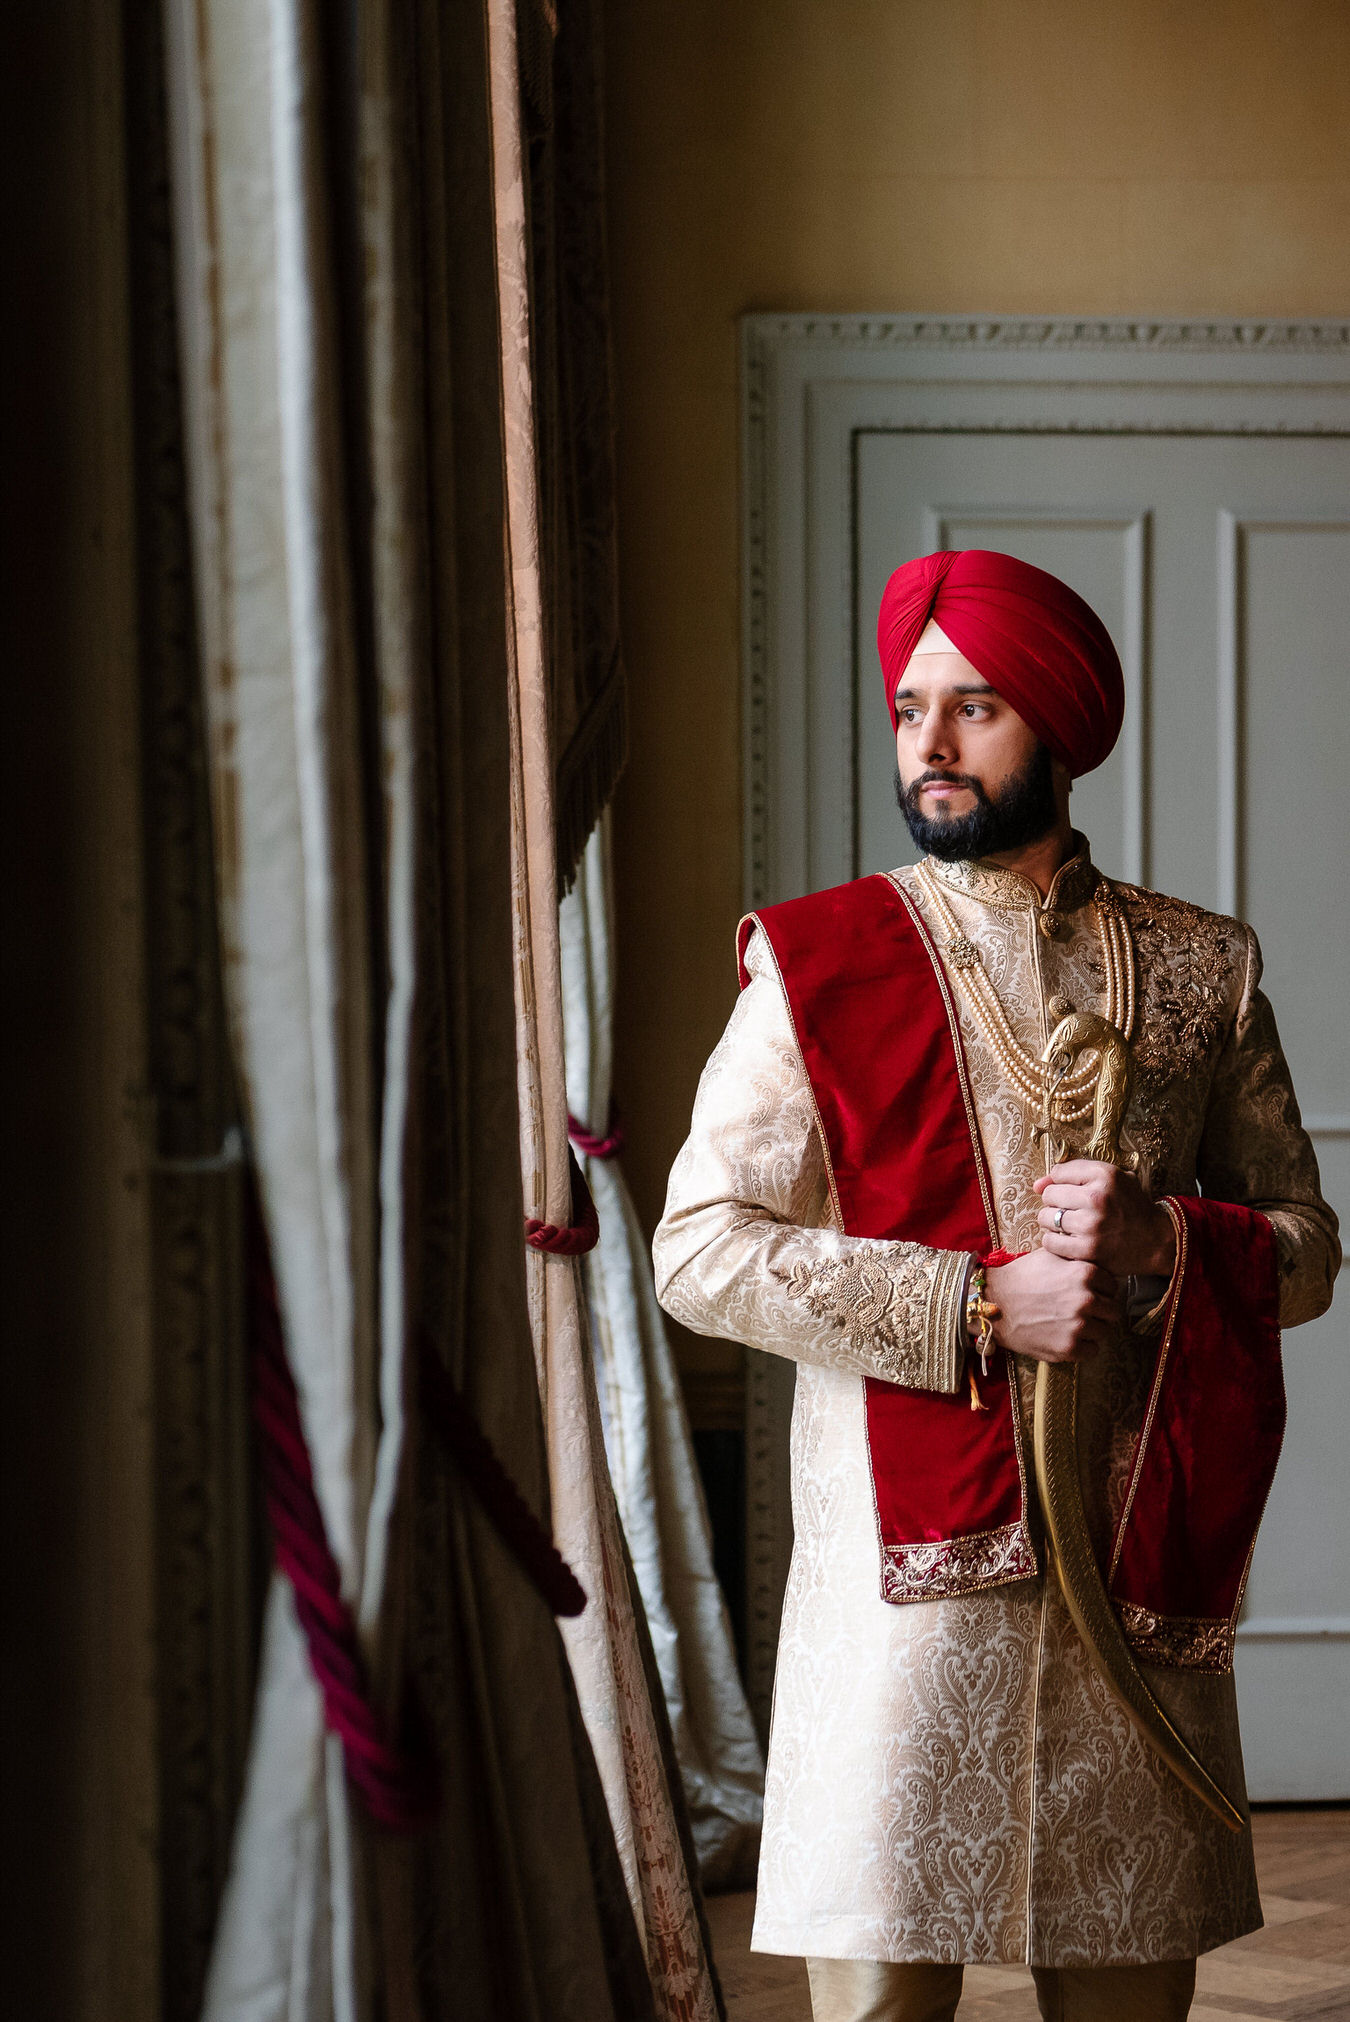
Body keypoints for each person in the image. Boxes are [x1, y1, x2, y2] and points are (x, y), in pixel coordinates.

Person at [652, 549, 1339, 2022]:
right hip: (902, 1619)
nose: (930, 743)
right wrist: (973, 1304)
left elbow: (1305, 1252)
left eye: (975, 707)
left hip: (1124, 1596)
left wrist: (1171, 1242)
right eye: (909, 708)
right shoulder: (817, 964)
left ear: (1061, 726)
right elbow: (695, 1248)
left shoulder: (1201, 970)